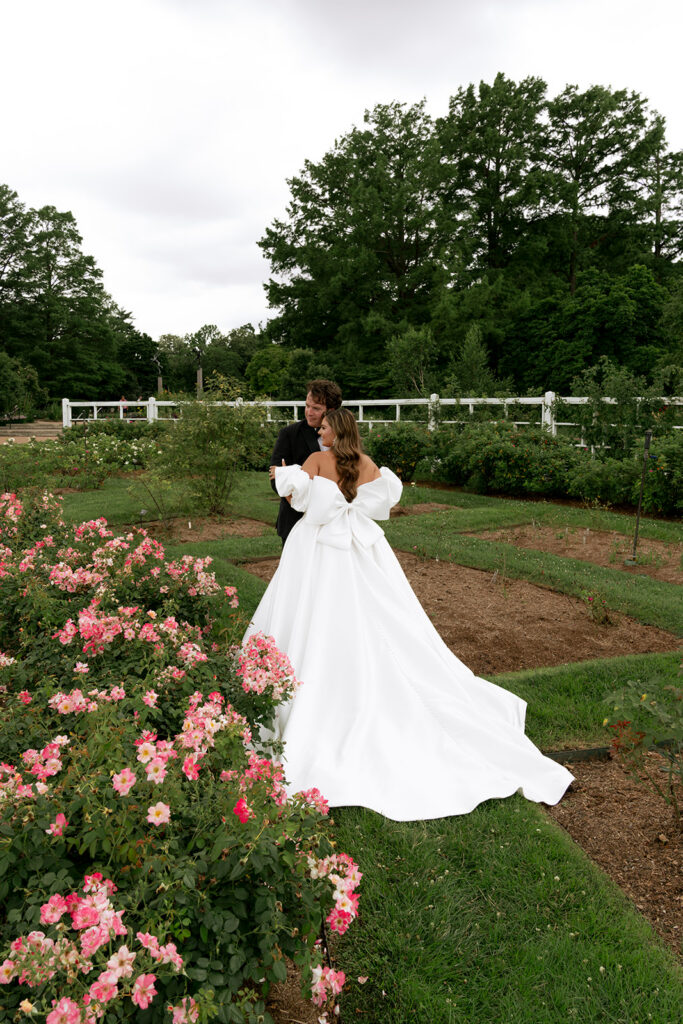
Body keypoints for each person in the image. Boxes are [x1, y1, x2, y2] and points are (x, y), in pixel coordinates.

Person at [246, 408, 574, 822]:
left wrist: (286, 481)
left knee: (311, 615)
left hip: (316, 551)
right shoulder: (366, 465)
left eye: (324, 426)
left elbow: (295, 499)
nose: (319, 430)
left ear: (336, 430)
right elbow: (375, 500)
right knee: (378, 614)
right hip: (358, 551)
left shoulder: (313, 460)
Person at [270, 379, 342, 545]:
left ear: (331, 410)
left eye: (316, 408)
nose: (309, 412)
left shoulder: (345, 436)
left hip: (335, 523)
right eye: (307, 405)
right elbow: (276, 478)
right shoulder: (289, 434)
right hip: (296, 519)